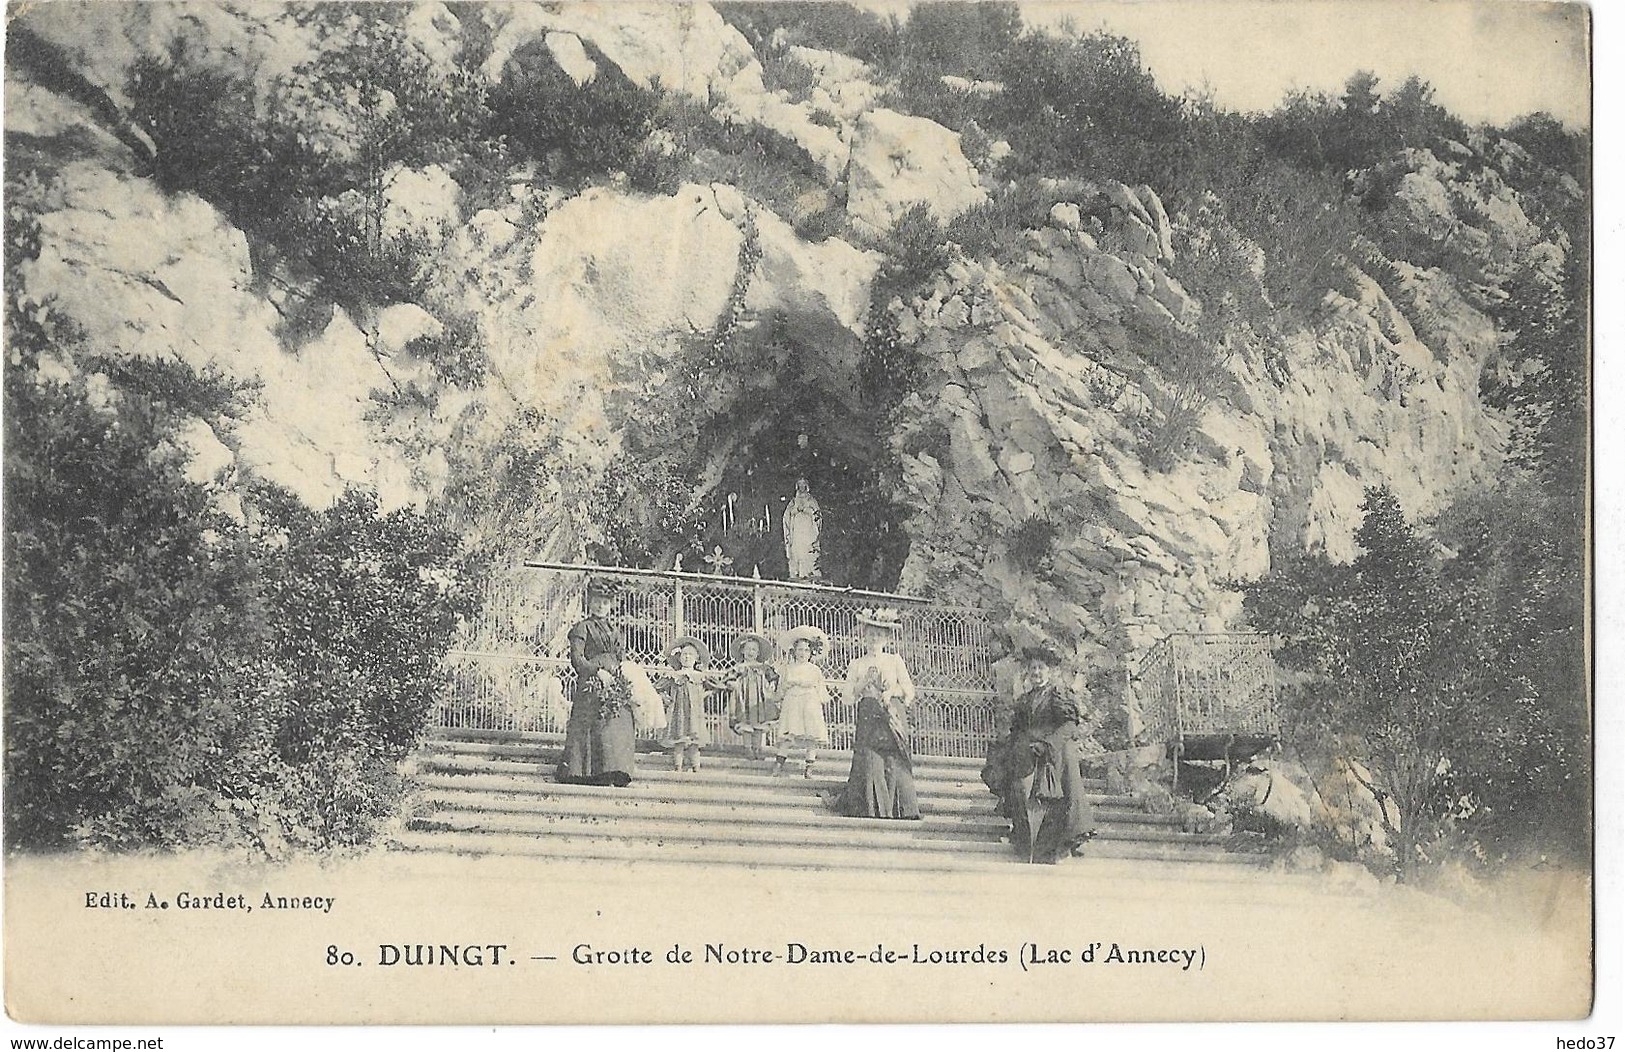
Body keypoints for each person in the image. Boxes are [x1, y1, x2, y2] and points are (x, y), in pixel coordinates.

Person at [982, 684, 1099, 863]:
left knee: (1060, 797)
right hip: (1030, 752)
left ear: (1047, 671)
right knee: (1016, 784)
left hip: (1056, 753)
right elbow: (1018, 728)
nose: (1036, 672)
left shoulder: (1057, 694)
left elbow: (1069, 725)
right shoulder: (1027, 697)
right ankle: (1027, 842)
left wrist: (1048, 744)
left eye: (1040, 668)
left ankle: (1061, 845)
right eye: (1033, 668)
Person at [832, 608, 920, 819]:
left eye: (879, 635)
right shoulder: (857, 664)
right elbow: (846, 698)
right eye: (870, 635)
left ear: (886, 638)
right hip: (868, 714)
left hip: (891, 714)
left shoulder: (894, 660)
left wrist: (891, 692)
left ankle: (900, 809)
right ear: (864, 636)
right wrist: (863, 683)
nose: (874, 639)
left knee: (893, 759)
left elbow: (909, 690)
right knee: (870, 759)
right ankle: (870, 808)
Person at [555, 579, 637, 787]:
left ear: (611, 605)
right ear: (590, 603)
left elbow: (621, 657)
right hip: (592, 681)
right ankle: (586, 772)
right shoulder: (581, 629)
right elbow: (577, 659)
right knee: (594, 721)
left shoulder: (615, 630)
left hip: (614, 681)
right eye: (597, 602)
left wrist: (621, 675)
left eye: (606, 603)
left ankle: (615, 771)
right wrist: (597, 671)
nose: (601, 606)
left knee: (618, 719)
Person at [772, 625, 831, 777]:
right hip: (793, 702)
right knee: (788, 733)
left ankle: (809, 766)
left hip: (809, 702)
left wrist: (821, 699)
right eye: (799, 649)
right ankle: (779, 764)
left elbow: (821, 689)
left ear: (811, 652)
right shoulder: (788, 668)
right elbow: (782, 688)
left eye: (806, 650)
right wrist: (778, 695)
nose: (803, 653)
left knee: (811, 734)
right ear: (794, 651)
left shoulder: (814, 670)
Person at [657, 636, 713, 773]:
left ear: (696, 659)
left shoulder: (700, 676)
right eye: (684, 655)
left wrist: (702, 696)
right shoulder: (674, 675)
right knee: (679, 740)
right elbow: (657, 688)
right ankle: (678, 767)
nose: (687, 657)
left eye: (690, 655)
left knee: (694, 741)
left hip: (695, 713)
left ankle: (696, 767)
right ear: (679, 657)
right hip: (679, 712)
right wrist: (665, 697)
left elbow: (715, 687)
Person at [720, 633, 779, 760]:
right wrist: (732, 684)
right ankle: (747, 748)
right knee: (745, 723)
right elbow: (727, 680)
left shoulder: (764, 667)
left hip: (759, 701)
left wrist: (772, 684)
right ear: (742, 651)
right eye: (747, 649)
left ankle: (757, 748)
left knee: (758, 724)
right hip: (743, 699)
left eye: (754, 649)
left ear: (758, 653)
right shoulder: (739, 667)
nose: (750, 652)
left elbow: (773, 678)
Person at [782, 478, 822, 582]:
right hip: (796, 532)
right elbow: (787, 516)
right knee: (796, 551)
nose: (801, 487)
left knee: (807, 551)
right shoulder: (793, 501)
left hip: (807, 531)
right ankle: (796, 573)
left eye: (803, 485)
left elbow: (817, 516)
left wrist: (807, 511)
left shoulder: (812, 500)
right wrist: (795, 511)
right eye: (799, 485)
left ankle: (808, 573)